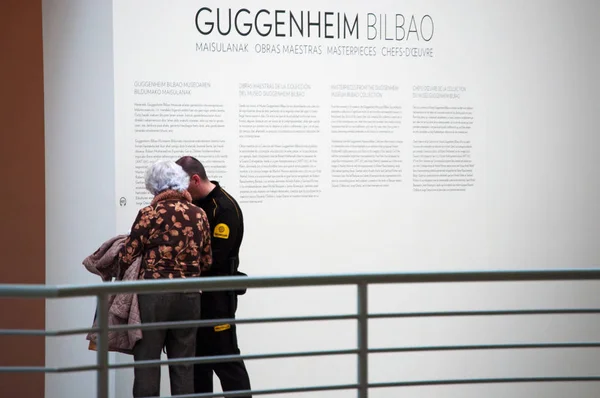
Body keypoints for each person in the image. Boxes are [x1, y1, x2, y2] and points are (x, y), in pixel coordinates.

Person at [117, 160, 213, 397]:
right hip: (189, 297)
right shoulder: (199, 214)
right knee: (183, 366)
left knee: (147, 364)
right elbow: (206, 261)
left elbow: (127, 256)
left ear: (154, 186)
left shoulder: (149, 213)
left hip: (153, 296)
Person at [176, 155, 252, 397]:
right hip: (196, 297)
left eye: (183, 186)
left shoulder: (224, 208)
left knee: (226, 361)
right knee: (198, 364)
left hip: (217, 299)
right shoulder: (195, 206)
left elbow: (216, 259)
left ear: (195, 179)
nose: (180, 193)